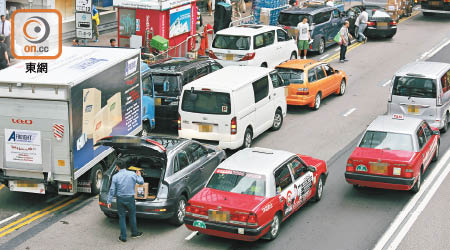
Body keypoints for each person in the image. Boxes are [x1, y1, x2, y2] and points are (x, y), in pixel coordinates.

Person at [107, 159, 144, 243]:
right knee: (132, 215)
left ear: (117, 167)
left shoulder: (115, 177)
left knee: (122, 217)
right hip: (130, 198)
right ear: (126, 166)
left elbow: (112, 190)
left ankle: (123, 237)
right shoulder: (132, 174)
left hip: (120, 199)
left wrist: (109, 201)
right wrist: (139, 175)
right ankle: (134, 233)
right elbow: (141, 182)